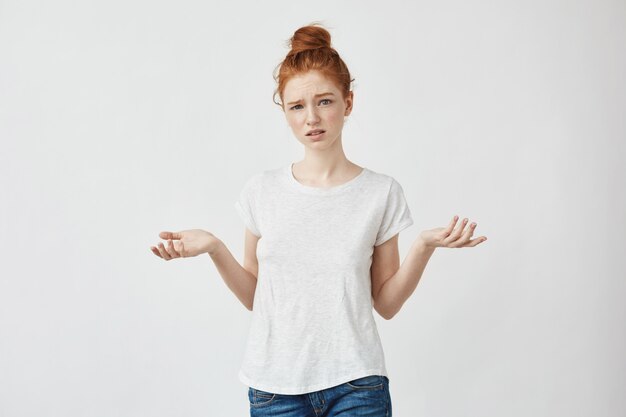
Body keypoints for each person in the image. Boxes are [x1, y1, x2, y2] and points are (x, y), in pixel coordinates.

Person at [150, 23, 487, 417]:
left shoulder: (380, 193)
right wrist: (213, 246)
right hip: (275, 390)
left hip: (357, 384)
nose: (312, 117)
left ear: (348, 103)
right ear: (286, 113)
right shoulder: (261, 192)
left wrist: (424, 247)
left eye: (325, 101)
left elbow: (387, 304)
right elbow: (257, 299)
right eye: (297, 106)